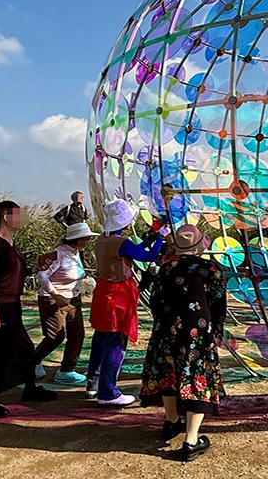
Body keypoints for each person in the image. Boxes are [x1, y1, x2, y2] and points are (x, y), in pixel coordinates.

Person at [140, 224, 227, 462]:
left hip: (166, 329)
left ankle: (170, 421)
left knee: (169, 372)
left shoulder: (165, 269)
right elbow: (219, 305)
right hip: (197, 332)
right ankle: (191, 440)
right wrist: (217, 330)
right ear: (200, 246)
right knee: (197, 376)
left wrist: (163, 322)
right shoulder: (211, 269)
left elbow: (155, 301)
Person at [0, 200, 59, 418]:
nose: (23, 218)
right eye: (18, 214)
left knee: (25, 349)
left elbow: (13, 273)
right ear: (6, 216)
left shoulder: (10, 244)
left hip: (12, 305)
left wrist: (36, 268)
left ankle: (29, 389)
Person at [85, 198, 164, 407]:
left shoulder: (103, 239)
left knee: (100, 340)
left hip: (103, 293)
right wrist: (160, 240)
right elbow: (148, 257)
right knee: (115, 343)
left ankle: (93, 384)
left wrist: (147, 241)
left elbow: (129, 252)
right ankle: (108, 392)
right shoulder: (121, 243)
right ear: (125, 222)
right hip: (117, 298)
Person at [33, 221, 96, 385]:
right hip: (53, 299)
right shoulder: (58, 254)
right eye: (85, 238)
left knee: (77, 334)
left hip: (73, 298)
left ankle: (67, 369)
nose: (88, 241)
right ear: (76, 239)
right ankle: (33, 360)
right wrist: (55, 294)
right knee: (55, 336)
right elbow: (42, 276)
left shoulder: (76, 253)